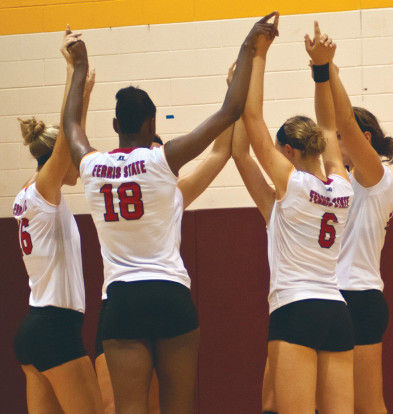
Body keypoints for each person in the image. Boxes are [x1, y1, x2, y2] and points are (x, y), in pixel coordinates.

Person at [63, 14, 278, 414]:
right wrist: (250, 45)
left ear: (114, 124)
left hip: (122, 299)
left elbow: (71, 125)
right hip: (169, 295)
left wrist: (78, 67)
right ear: (152, 123)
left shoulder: (91, 166)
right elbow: (230, 111)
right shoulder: (163, 160)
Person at [237, 19, 355, 413]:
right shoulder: (341, 186)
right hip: (337, 311)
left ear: (287, 151)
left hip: (295, 309)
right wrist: (321, 71)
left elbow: (253, 121)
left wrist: (260, 54)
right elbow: (330, 125)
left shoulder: (292, 186)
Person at [94, 127, 234, 414]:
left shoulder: (175, 196)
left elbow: (219, 154)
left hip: (157, 299)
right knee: (112, 405)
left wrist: (235, 104)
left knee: (158, 404)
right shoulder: (110, 184)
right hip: (117, 303)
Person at [12, 27, 102, 414]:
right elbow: (67, 142)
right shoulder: (43, 190)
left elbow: (69, 134)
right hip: (55, 331)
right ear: (54, 161)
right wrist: (72, 73)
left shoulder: (30, 192)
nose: (79, 166)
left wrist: (84, 96)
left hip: (35, 331)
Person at [324, 28, 393, 414]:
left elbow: (345, 124)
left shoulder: (375, 178)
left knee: (367, 405)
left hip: (360, 296)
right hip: (330, 298)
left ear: (363, 139)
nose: (333, 141)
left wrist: (328, 69)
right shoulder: (340, 183)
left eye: (340, 136)